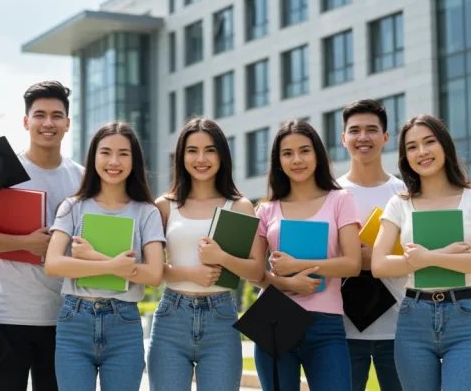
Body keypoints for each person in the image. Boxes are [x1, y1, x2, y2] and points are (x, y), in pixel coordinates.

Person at [0, 81, 83, 391]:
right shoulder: (1, 171)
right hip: (9, 316)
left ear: (68, 124)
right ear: (26, 121)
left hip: (64, 318)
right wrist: (25, 243)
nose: (48, 123)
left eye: (57, 116)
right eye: (40, 115)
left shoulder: (82, 178)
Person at [372, 114, 471, 391]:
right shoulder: (400, 204)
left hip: (463, 317)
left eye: (429, 142)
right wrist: (443, 254)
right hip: (413, 317)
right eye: (412, 147)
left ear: (444, 145)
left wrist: (429, 257)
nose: (422, 152)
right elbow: (379, 264)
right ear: (405, 157)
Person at [44, 121, 166, 391]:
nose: (114, 161)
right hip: (74, 321)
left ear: (134, 160)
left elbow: (155, 275)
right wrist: (114, 265)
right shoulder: (72, 207)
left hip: (123, 323)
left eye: (123, 153)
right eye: (106, 152)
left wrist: (92, 257)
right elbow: (53, 264)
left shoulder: (147, 212)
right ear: (93, 157)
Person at [146, 117, 265, 391]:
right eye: (192, 150)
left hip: (221, 318)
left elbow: (257, 271)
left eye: (210, 149)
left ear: (222, 155)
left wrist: (222, 258)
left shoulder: (239, 206)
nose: (201, 158)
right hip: (171, 318)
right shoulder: (164, 206)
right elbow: (148, 271)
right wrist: (192, 273)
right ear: (181, 156)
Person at [249, 119, 361, 390]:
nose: (296, 159)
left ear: (318, 155)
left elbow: (352, 264)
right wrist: (288, 282)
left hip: (326, 324)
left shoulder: (340, 199)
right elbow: (255, 274)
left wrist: (296, 265)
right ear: (278, 161)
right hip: (274, 317)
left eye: (304, 150)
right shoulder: (266, 210)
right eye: (287, 153)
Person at [336, 99, 405, 391]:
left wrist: (374, 258)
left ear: (386, 138)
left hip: (400, 329)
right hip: (342, 331)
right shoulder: (332, 194)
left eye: (371, 130)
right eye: (354, 131)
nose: (362, 137)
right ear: (343, 139)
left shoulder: (405, 194)